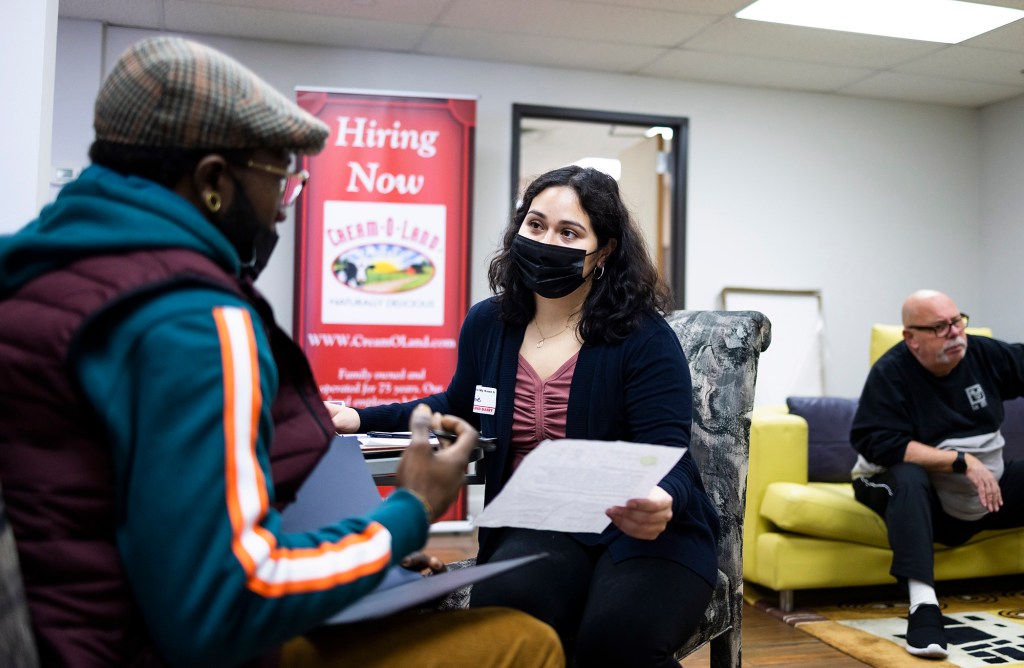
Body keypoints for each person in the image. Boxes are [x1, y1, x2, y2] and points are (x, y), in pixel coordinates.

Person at [0, 36, 563, 668]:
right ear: (214, 180)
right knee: (526, 641)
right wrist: (405, 513)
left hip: (76, 629)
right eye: (282, 180)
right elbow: (226, 603)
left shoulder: (31, 274)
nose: (281, 212)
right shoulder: (199, 320)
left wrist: (368, 561)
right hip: (161, 648)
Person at [330, 165, 720, 666]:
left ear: (603, 251)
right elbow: (456, 406)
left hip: (644, 534)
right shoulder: (488, 324)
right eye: (535, 225)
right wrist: (359, 418)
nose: (546, 241)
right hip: (539, 526)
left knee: (615, 639)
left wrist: (660, 497)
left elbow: (670, 453)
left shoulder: (642, 338)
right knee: (506, 622)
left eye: (569, 232)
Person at [850, 289, 1024, 659]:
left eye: (957, 321)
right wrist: (960, 461)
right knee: (907, 476)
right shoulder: (891, 372)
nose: (955, 333)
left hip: (985, 494)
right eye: (940, 327)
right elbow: (875, 442)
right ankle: (923, 606)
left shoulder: (983, 354)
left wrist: (976, 466)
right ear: (911, 338)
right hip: (919, 495)